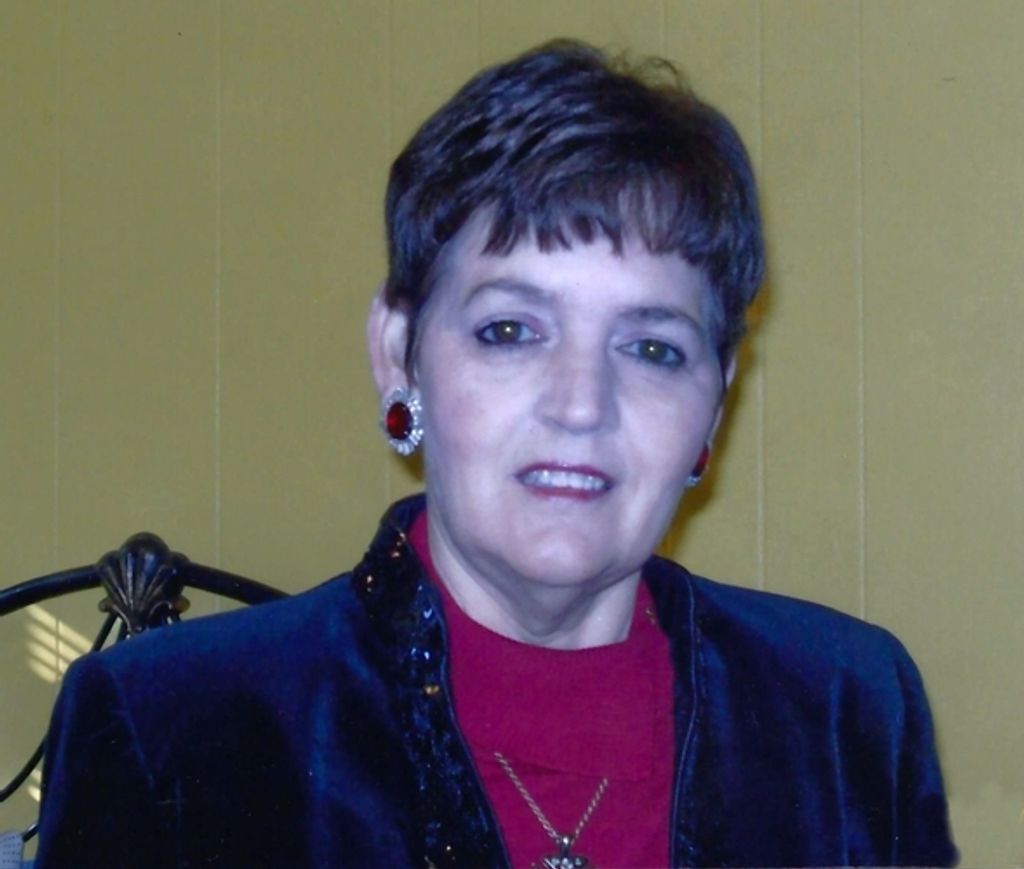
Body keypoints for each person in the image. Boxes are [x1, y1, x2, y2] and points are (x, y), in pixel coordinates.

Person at [34, 40, 956, 868]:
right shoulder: (172, 731)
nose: (580, 405)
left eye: (652, 348)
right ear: (399, 353)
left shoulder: (846, 710)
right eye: (511, 330)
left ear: (715, 400)